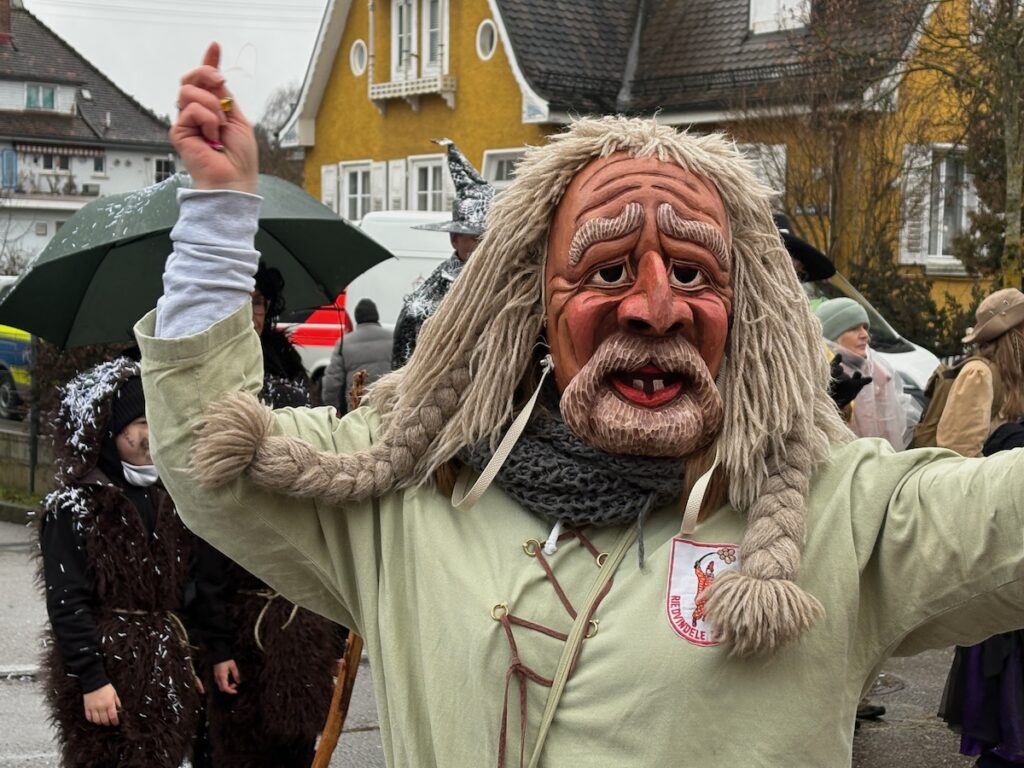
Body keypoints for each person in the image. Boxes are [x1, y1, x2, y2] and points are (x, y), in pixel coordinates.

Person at [138, 44, 1024, 766]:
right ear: (534, 302)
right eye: (606, 271)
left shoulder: (839, 508)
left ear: (743, 310)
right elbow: (204, 450)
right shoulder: (410, 487)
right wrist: (217, 216)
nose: (654, 307)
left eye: (693, 272)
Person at [39, 359, 206, 767]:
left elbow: (184, 589)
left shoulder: (165, 496)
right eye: (142, 420)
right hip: (107, 673)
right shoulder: (72, 506)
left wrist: (185, 661)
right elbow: (67, 602)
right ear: (111, 429)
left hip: (163, 666)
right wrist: (92, 680)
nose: (153, 432)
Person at [391, 138, 494, 368]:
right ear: (454, 239)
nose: (483, 246)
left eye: (489, 238)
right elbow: (401, 378)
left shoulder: (508, 284)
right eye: (475, 238)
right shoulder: (422, 307)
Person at [815, 297, 916, 450]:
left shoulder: (878, 366)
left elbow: (900, 417)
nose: (865, 335)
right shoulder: (818, 370)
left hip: (885, 462)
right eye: (854, 328)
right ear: (831, 335)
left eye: (865, 327)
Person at [935, 287, 1024, 457]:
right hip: (980, 480)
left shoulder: (1012, 374)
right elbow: (959, 451)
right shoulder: (978, 374)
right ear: (1016, 333)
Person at [321, 298, 393, 412]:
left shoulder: (344, 343)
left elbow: (332, 383)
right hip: (387, 406)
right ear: (376, 316)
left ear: (357, 318)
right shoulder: (393, 338)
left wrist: (333, 409)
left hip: (358, 409)